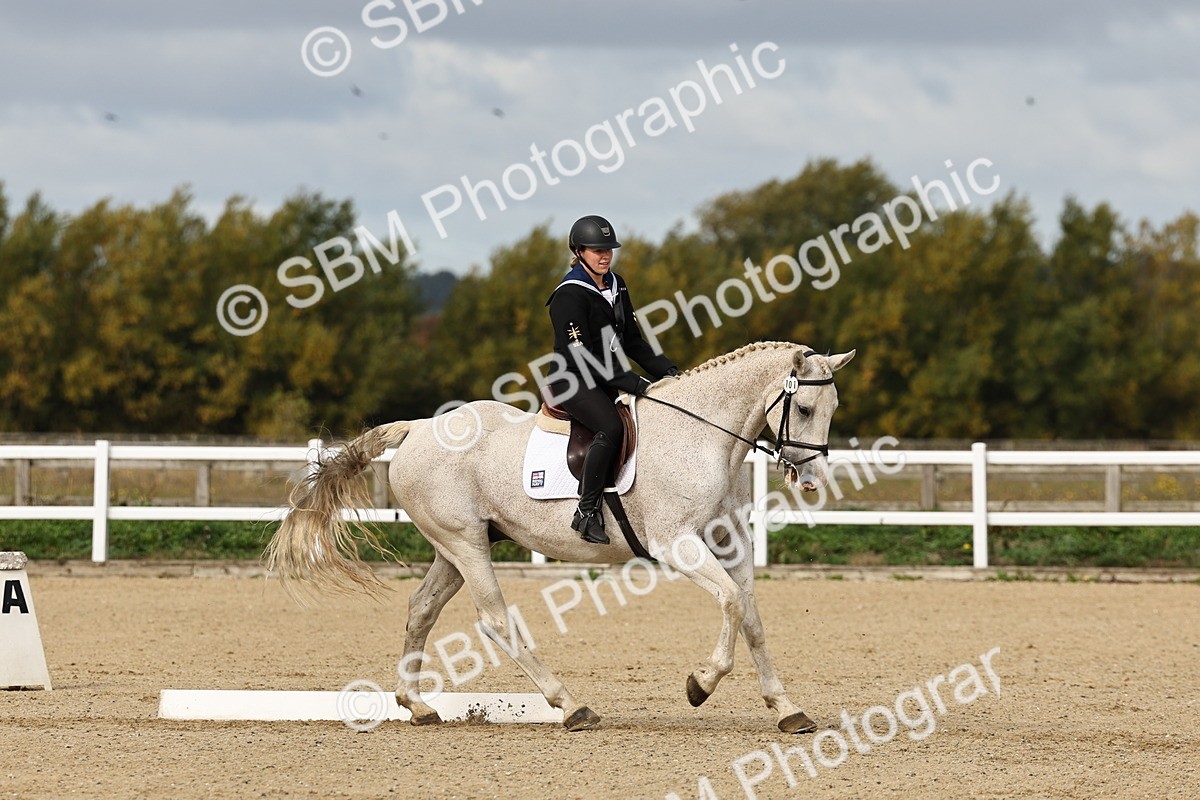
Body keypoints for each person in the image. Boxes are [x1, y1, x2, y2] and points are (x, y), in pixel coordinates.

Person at [545, 214, 680, 544]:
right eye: (597, 250)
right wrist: (633, 382)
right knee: (611, 426)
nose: (605, 256)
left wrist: (670, 373)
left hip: (605, 379)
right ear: (578, 252)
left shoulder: (617, 285)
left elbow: (633, 341)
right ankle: (587, 511)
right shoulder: (569, 295)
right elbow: (582, 356)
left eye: (608, 249)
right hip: (572, 380)